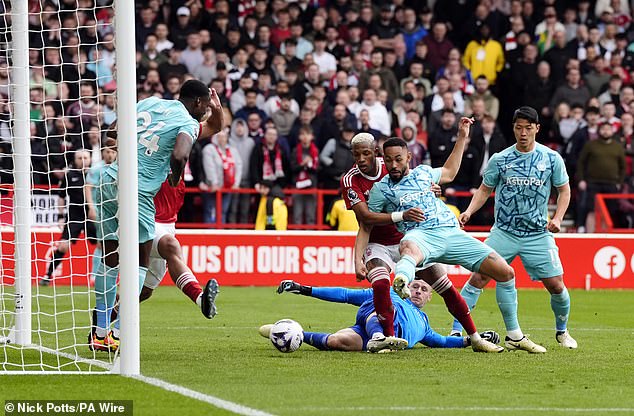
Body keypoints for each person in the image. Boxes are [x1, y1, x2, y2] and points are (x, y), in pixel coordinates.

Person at [369, 127, 546, 353]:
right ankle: (402, 279)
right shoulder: (381, 189)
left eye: (398, 159)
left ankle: (514, 336)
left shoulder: (423, 173)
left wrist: (462, 137)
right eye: (389, 160)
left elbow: (450, 171)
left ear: (409, 157)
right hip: (421, 234)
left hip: (452, 233)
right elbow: (370, 220)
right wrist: (398, 216)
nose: (393, 165)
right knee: (408, 247)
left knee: (505, 272)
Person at [341, 133, 501, 353]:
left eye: (366, 153)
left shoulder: (392, 161)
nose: (361, 159)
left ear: (376, 153)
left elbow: (435, 177)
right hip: (379, 244)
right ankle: (388, 338)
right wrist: (358, 259)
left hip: (413, 239)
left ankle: (474, 336)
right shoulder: (352, 180)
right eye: (356, 154)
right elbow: (365, 221)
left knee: (446, 288)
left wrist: (432, 189)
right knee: (379, 283)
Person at [93, 81, 223, 351]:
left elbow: (111, 133)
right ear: (198, 103)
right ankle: (116, 332)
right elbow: (179, 155)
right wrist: (174, 176)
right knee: (140, 261)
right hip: (137, 191)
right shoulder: (186, 123)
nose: (205, 113)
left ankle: (100, 329)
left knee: (109, 256)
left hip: (108, 180)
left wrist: (138, 148)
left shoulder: (150, 102)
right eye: (206, 108)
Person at [452, 106, 577, 350]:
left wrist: (559, 218)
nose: (523, 133)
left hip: (538, 234)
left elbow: (564, 190)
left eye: (528, 128)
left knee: (557, 286)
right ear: (513, 128)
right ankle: (457, 330)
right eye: (519, 128)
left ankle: (562, 331)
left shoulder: (551, 158)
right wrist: (468, 211)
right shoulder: (500, 159)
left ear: (537, 129)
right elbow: (485, 189)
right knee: (479, 276)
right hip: (504, 233)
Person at [262, 279, 501, 353]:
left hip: (369, 337)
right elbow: (344, 294)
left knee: (337, 342)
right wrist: (305, 290)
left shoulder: (424, 324)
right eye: (415, 286)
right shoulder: (386, 292)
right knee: (383, 308)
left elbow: (442, 341)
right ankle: (380, 337)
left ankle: (296, 335)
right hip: (370, 322)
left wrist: (473, 339)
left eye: (424, 289)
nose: (417, 291)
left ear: (430, 297)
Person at [41, 149, 96, 286]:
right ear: (75, 160)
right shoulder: (70, 175)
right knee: (63, 246)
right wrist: (60, 216)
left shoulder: (96, 174)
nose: (83, 160)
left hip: (93, 215)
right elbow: (61, 197)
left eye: (85, 157)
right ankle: (47, 275)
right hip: (75, 215)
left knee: (103, 245)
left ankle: (110, 276)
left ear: (90, 159)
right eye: (79, 158)